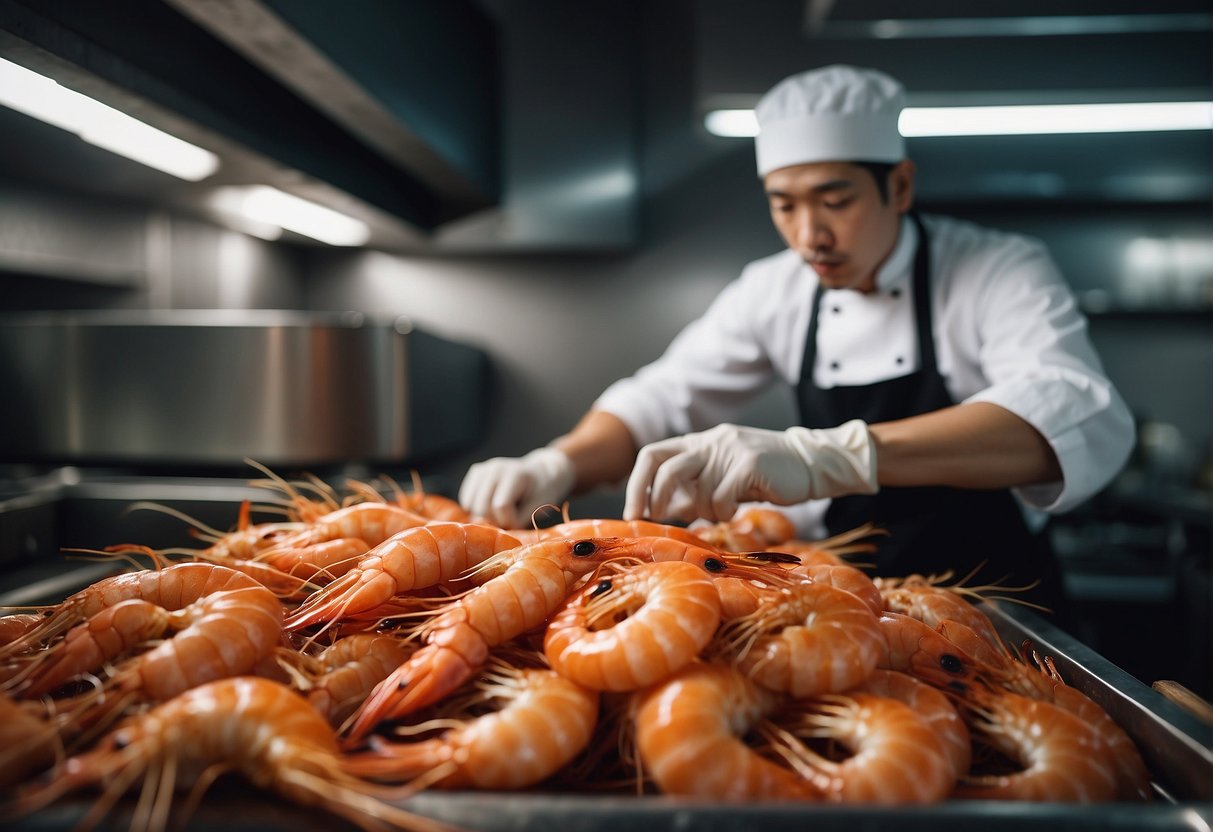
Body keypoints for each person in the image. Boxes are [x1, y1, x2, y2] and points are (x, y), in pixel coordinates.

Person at [458, 65, 1134, 612]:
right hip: (855, 604)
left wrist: (826, 457)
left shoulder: (995, 269)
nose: (809, 233)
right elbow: (659, 400)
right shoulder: (774, 288)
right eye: (784, 203)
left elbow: (1071, 409)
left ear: (898, 186)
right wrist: (558, 463)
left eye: (833, 199)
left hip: (1002, 605)